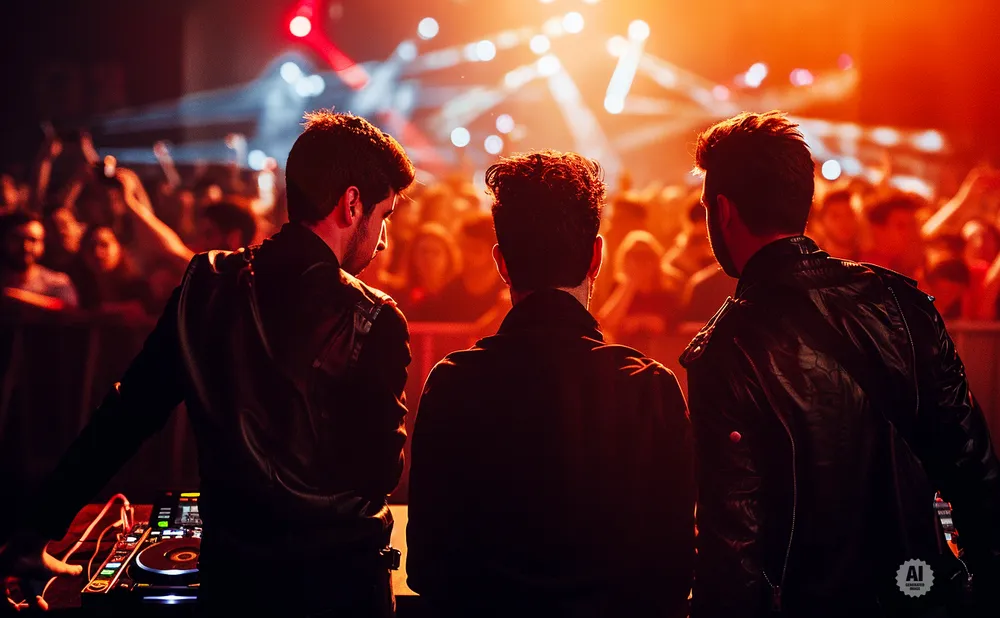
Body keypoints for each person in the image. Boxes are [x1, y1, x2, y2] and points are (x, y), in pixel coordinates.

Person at [0, 110, 416, 617]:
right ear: (352, 203)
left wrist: (39, 525)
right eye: (385, 215)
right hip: (339, 586)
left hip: (234, 584)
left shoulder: (205, 285)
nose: (384, 238)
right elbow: (378, 473)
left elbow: (124, 418)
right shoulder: (373, 317)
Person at [681, 110, 1000, 617]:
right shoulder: (901, 301)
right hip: (920, 593)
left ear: (722, 211)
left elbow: (732, 545)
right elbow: (973, 469)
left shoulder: (726, 348)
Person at [407, 151, 695, 618]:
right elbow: (675, 570)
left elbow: (427, 568)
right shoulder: (650, 389)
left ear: (502, 263)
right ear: (597, 257)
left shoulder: (453, 384)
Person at [0, 211, 77, 309]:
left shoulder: (58, 284)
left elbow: (69, 313)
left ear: (43, 245)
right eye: (17, 239)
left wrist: (14, 296)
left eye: (33, 240)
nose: (26, 247)